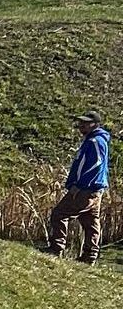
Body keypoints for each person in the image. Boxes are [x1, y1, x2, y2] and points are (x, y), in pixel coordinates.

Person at [47, 111, 109, 263]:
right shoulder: (94, 140)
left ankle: (56, 248)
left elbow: (96, 165)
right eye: (81, 122)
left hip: (86, 189)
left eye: (85, 122)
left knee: (59, 214)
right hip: (95, 189)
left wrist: (79, 185)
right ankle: (89, 256)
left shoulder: (95, 141)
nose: (81, 125)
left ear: (94, 124)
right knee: (90, 221)